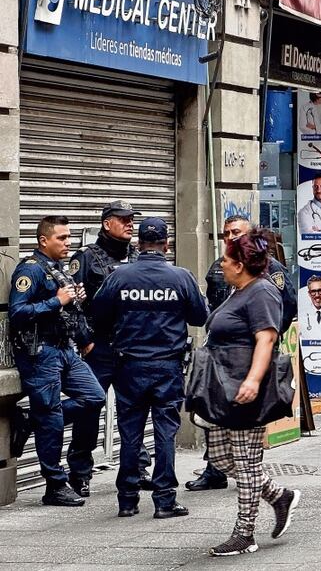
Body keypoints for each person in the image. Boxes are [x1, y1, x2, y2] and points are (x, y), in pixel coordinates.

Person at [91, 218, 209, 518]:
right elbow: (199, 316)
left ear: (138, 244)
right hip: (167, 367)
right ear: (166, 244)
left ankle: (127, 499)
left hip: (128, 366)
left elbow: (99, 314)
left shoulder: (119, 276)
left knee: (130, 434)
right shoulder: (181, 277)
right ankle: (165, 500)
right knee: (165, 433)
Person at [203, 229, 300, 555]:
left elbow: (267, 338)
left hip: (245, 386)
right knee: (219, 457)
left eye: (227, 260)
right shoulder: (238, 290)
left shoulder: (261, 292)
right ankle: (277, 495)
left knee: (245, 463)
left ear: (241, 265)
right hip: (224, 386)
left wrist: (253, 380)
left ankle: (245, 534)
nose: (222, 265)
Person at [192, 215, 296, 492]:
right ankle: (221, 471)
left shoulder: (266, 272)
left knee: (244, 437)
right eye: (226, 233)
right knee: (217, 431)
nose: (230, 238)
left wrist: (262, 347)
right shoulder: (221, 265)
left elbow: (283, 310)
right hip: (222, 363)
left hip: (248, 362)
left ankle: (254, 481)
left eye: (236, 233)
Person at [9, 216, 106, 506]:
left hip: (64, 350)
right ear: (44, 240)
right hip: (40, 353)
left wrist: (78, 300)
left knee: (94, 396)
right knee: (50, 418)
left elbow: (67, 310)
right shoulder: (30, 270)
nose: (68, 243)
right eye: (61, 238)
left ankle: (31, 419)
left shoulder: (57, 270)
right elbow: (17, 312)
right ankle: (55, 485)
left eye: (69, 237)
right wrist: (57, 301)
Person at [67, 200, 152, 495]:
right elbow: (74, 303)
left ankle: (137, 468)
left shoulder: (138, 256)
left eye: (132, 219)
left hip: (131, 347)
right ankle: (79, 472)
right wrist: (85, 340)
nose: (130, 224)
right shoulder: (86, 258)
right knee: (90, 409)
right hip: (100, 346)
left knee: (135, 409)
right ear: (107, 223)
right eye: (124, 219)